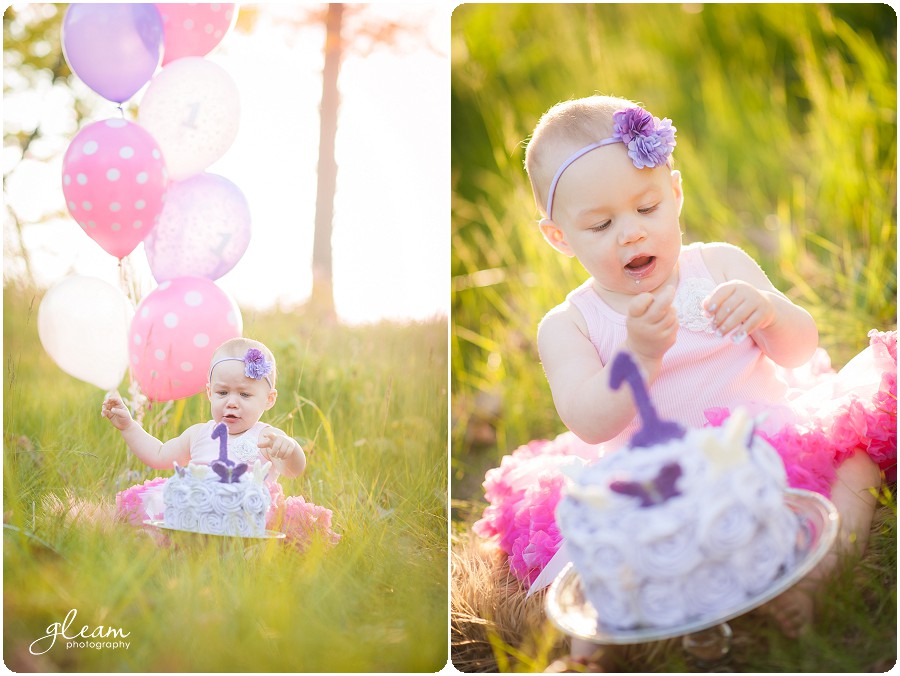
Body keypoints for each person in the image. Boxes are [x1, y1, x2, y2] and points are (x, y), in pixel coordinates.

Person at [469, 95, 896, 662]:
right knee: (600, 551)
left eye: (646, 209)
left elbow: (800, 351)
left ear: (674, 192)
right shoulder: (570, 324)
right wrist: (641, 358)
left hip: (764, 449)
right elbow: (590, 422)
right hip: (650, 484)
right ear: (560, 238)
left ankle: (815, 580)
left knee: (857, 461)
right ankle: (587, 656)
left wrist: (769, 311)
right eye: (600, 224)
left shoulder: (719, 264)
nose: (630, 234)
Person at [105, 336, 340, 551]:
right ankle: (158, 544)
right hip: (196, 519)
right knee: (166, 526)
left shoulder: (266, 438)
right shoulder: (198, 435)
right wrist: (129, 426)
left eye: (245, 395)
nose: (232, 403)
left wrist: (290, 450)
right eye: (222, 393)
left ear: (269, 400)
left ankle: (252, 555)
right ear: (209, 392)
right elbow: (158, 454)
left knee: (267, 544)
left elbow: (294, 470)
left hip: (249, 526)